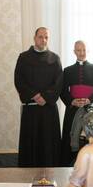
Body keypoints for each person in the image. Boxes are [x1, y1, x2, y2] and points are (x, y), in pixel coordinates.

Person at [14, 27, 63, 167]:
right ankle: (28, 176)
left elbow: (58, 83)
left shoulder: (55, 59)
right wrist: (34, 95)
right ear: (35, 38)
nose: (43, 40)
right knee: (31, 143)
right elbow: (19, 81)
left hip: (48, 110)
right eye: (40, 37)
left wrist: (46, 97)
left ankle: (51, 173)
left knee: (48, 144)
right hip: (31, 110)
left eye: (46, 37)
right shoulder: (23, 58)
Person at [59, 40, 93, 166]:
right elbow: (62, 91)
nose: (82, 53)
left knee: (90, 141)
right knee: (71, 140)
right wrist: (72, 101)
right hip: (73, 110)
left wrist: (90, 101)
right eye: (79, 50)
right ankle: (69, 166)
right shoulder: (67, 70)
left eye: (84, 50)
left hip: (91, 111)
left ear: (87, 51)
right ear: (74, 52)